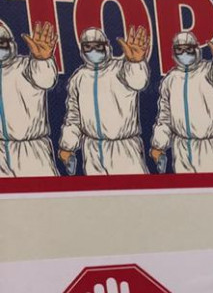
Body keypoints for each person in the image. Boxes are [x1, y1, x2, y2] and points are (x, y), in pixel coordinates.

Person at [58, 26, 150, 175]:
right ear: (82, 49)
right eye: (88, 47)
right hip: (92, 151)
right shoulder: (79, 78)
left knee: (133, 188)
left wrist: (136, 63)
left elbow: (138, 81)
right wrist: (68, 145)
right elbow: (74, 116)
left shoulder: (121, 69)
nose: (93, 51)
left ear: (106, 47)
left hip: (124, 148)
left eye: (98, 46)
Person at [150, 29, 213, 174]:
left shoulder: (210, 71)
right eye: (179, 49)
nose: (184, 53)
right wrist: (158, 145)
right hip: (181, 150)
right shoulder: (170, 79)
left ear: (196, 49)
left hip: (211, 148)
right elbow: (165, 116)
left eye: (189, 49)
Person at [0, 20, 59, 177]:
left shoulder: (25, 65)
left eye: (1, 43)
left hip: (31, 151)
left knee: (45, 192)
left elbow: (47, 80)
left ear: (10, 44)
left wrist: (42, 60)